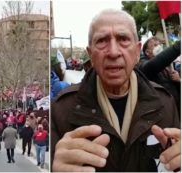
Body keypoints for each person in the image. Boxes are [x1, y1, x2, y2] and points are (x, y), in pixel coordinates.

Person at [51, 9, 180, 172]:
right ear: (90, 54)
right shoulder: (62, 109)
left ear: (136, 51)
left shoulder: (164, 103)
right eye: (102, 40)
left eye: (123, 39)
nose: (113, 52)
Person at [138, 37, 181, 114]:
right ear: (147, 52)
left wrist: (178, 80)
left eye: (159, 44)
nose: (159, 47)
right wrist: (178, 46)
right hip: (164, 112)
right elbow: (153, 65)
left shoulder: (169, 66)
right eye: (155, 45)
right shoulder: (144, 65)